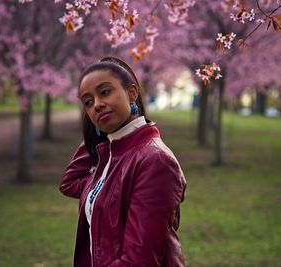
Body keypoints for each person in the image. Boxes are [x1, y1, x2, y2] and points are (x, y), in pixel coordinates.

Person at [60, 56, 187, 266]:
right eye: (88, 102)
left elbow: (139, 261)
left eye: (105, 92)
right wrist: (99, 133)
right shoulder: (111, 157)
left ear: (132, 93)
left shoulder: (154, 161)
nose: (97, 105)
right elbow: (69, 183)